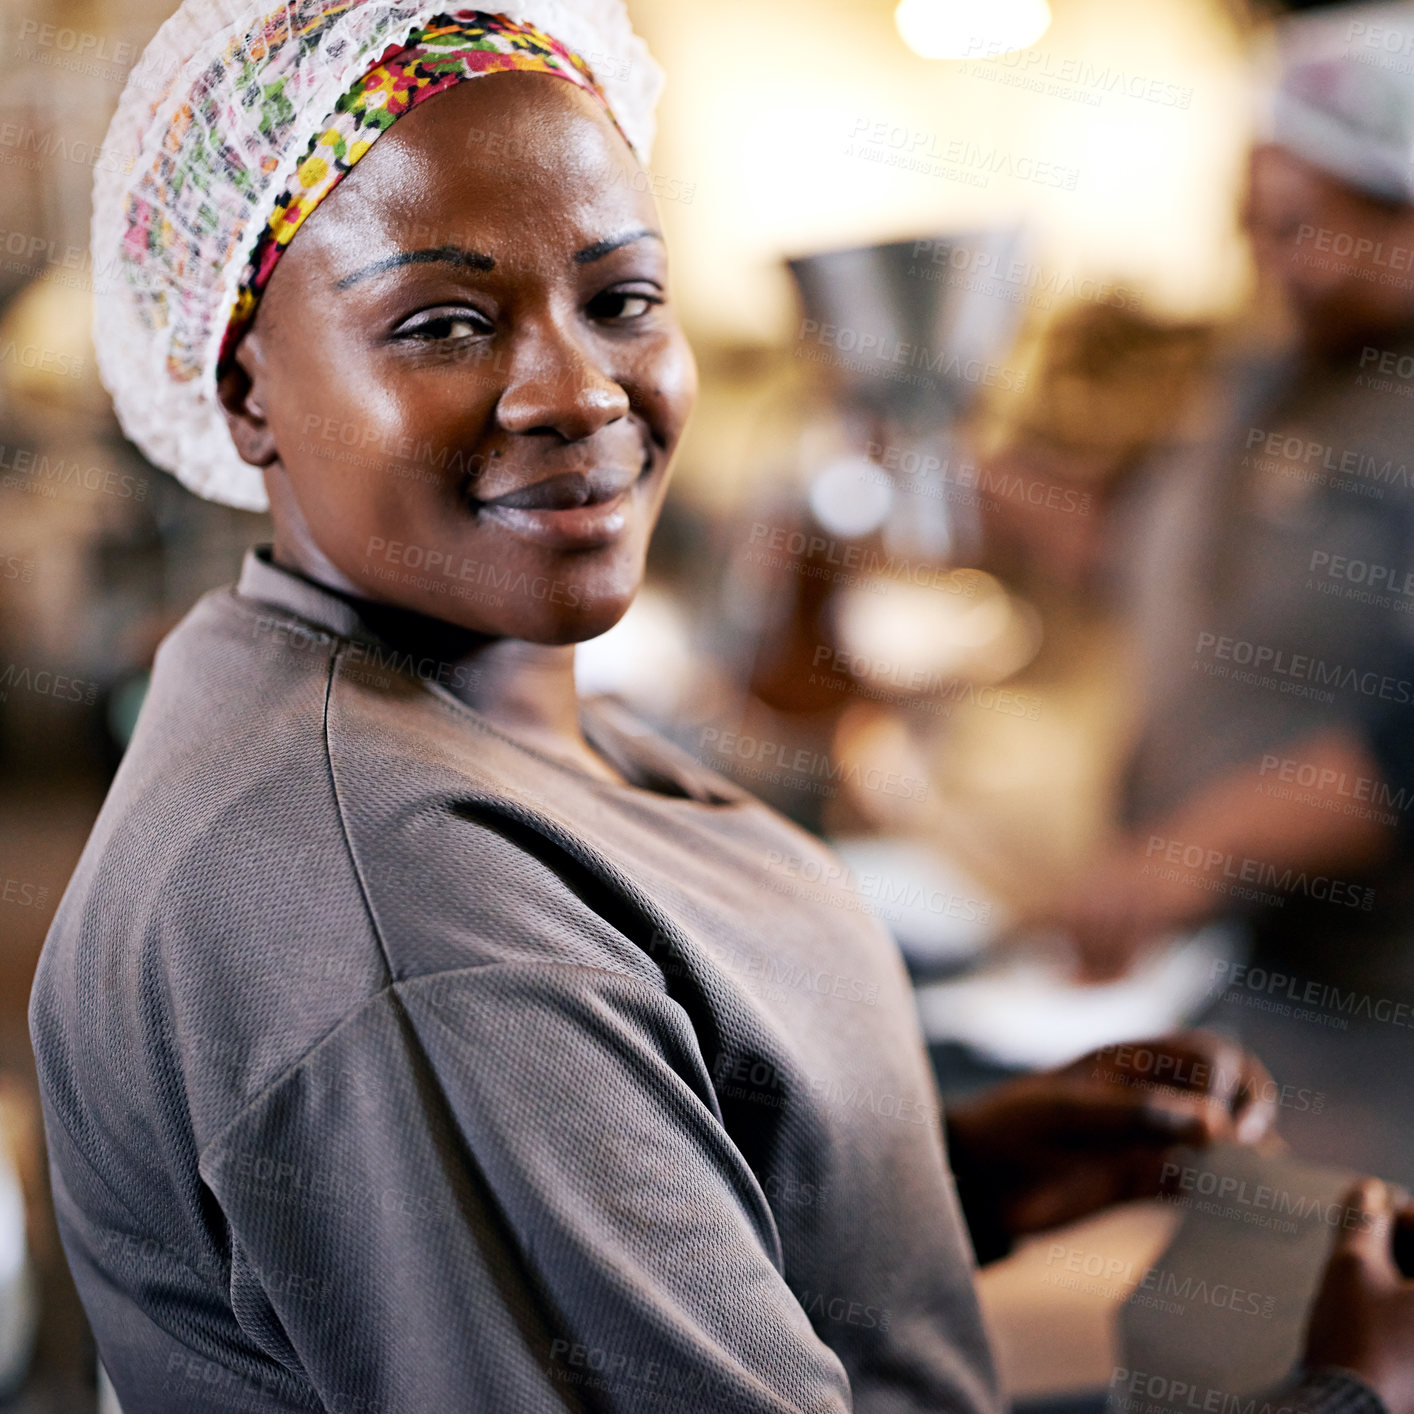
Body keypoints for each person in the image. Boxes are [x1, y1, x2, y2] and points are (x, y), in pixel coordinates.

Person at [26, 3, 1414, 1411]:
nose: (577, 390)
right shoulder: (409, 908)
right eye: (442, 320)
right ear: (242, 383)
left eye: (620, 298)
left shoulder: (472, 716)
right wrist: (1345, 1395)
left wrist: (902, 1189)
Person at [1054, 1, 1414, 982]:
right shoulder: (1269, 366)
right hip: (1214, 959)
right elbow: (1163, 548)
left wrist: (1199, 850)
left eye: (1306, 227)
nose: (1281, 264)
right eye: (1258, 227)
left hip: (1364, 985)